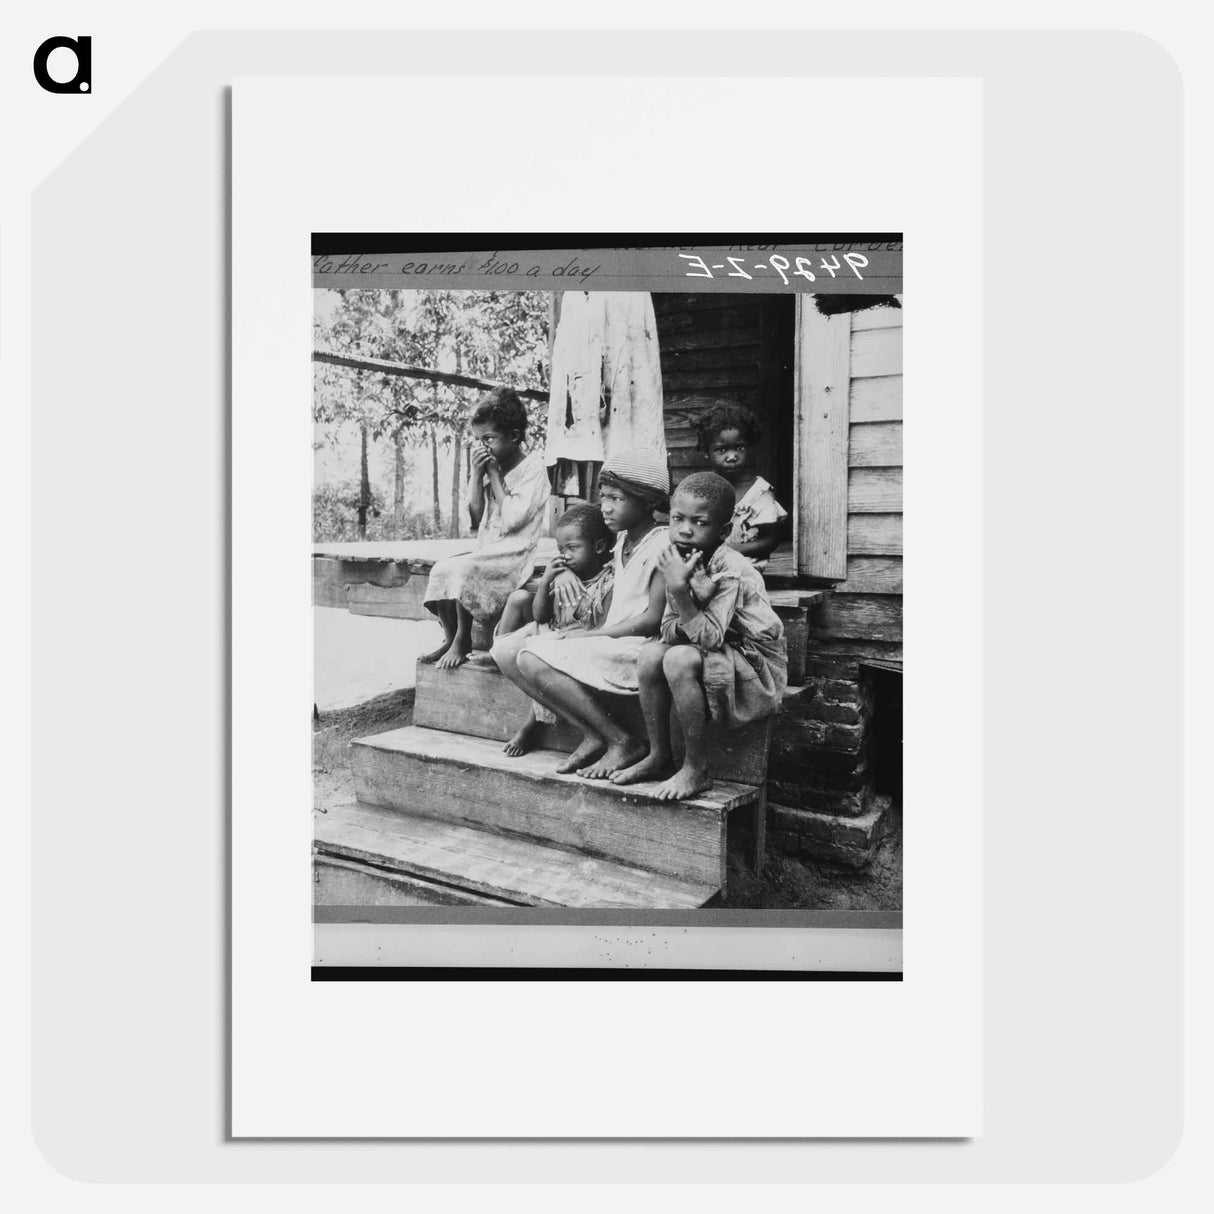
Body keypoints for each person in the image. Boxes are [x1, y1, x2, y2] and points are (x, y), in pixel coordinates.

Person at [612, 471, 787, 801]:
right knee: (651, 654)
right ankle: (659, 754)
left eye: (699, 522)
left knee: (678, 657)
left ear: (722, 531)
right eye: (677, 518)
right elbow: (666, 628)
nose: (685, 529)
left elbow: (709, 638)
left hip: (756, 664)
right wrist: (687, 597)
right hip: (721, 650)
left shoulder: (731, 568)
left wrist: (681, 592)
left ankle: (697, 768)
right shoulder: (678, 557)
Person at [510, 449, 670, 778]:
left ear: (647, 501)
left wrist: (591, 634)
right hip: (611, 640)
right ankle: (598, 735)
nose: (605, 507)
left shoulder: (661, 544)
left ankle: (620, 740)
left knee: (531, 657)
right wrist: (564, 571)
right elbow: (586, 559)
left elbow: (652, 619)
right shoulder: (623, 539)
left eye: (616, 498)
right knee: (516, 653)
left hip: (636, 647)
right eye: (603, 496)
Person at [420, 387, 550, 669]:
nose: (482, 446)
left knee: (466, 570)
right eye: (478, 439)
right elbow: (476, 516)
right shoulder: (492, 465)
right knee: (442, 569)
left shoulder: (533, 469)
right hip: (489, 548)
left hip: (515, 553)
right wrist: (477, 475)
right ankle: (450, 635)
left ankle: (463, 639)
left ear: (514, 437)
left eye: (489, 439)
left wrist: (492, 473)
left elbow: (514, 519)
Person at [489, 503, 615, 758]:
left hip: (574, 641)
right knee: (523, 616)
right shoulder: (563, 574)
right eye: (561, 549)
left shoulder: (606, 582)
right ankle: (496, 654)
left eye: (573, 548)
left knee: (537, 658)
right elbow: (539, 615)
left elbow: (595, 627)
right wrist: (548, 578)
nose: (565, 555)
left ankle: (531, 723)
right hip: (551, 630)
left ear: (599, 547)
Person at [696, 402, 788, 571]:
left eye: (739, 448)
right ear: (706, 452)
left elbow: (771, 540)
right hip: (709, 565)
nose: (732, 456)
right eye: (721, 450)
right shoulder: (703, 489)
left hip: (747, 568)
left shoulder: (758, 493)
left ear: (749, 448)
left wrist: (732, 551)